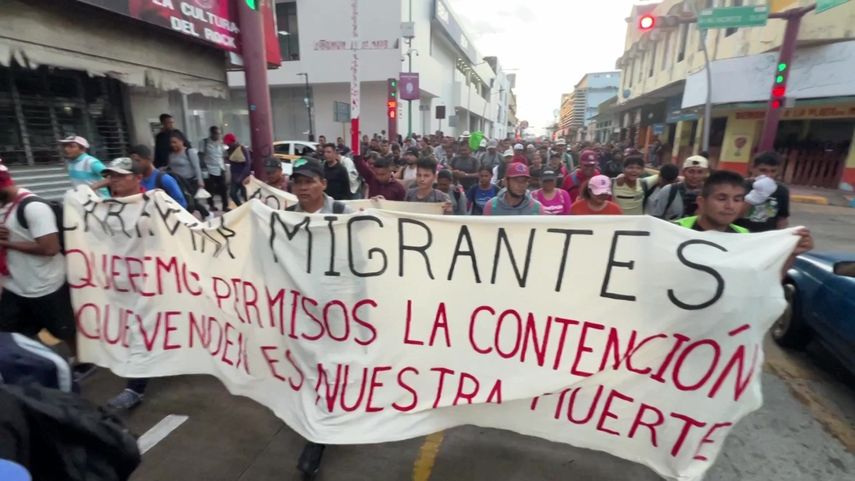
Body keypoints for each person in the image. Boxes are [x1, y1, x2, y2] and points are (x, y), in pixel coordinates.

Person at [0, 164, 75, 358]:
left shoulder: (34, 207)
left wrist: (9, 245)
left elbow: (50, 248)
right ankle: (42, 361)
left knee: (65, 331)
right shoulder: (4, 205)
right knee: (14, 333)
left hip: (46, 286)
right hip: (16, 287)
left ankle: (82, 361)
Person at [674, 170, 813, 267]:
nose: (730, 206)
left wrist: (792, 254)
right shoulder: (674, 231)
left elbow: (764, 281)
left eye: (737, 199)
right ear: (702, 202)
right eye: (721, 198)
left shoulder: (745, 237)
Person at [735, 151, 790, 232]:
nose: (768, 175)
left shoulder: (782, 190)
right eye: (763, 170)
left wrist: (781, 236)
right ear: (752, 168)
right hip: (739, 234)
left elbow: (782, 218)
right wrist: (755, 196)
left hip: (765, 237)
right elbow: (732, 216)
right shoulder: (740, 186)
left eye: (773, 171)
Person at [649, 155, 709, 220]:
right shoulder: (669, 191)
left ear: (705, 174)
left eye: (700, 172)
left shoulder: (709, 195)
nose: (695, 176)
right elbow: (655, 218)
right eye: (691, 171)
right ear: (683, 172)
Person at [167, 132, 210, 219]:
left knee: (191, 202)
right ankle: (203, 214)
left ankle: (206, 214)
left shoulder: (189, 152)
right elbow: (170, 167)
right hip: (178, 182)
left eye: (174, 142)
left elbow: (196, 167)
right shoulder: (171, 154)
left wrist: (200, 181)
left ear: (181, 141)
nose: (172, 145)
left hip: (190, 182)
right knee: (185, 202)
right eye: (171, 143)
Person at [130, 144, 187, 208]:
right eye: (133, 162)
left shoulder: (164, 179)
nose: (135, 165)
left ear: (149, 159)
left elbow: (181, 204)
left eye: (138, 160)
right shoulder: (135, 180)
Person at [287, 159, 353, 215]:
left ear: (324, 184)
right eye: (297, 182)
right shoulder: (287, 216)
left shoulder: (342, 212)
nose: (303, 187)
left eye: (309, 181)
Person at [199, 126, 228, 212]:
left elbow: (223, 155)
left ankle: (225, 206)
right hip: (209, 169)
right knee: (210, 189)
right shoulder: (204, 142)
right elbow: (200, 156)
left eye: (219, 134)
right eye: (216, 133)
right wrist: (203, 168)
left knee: (224, 189)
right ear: (211, 133)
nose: (218, 135)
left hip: (220, 168)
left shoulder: (221, 143)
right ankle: (211, 205)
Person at [224, 133, 251, 207]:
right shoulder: (229, 151)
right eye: (227, 144)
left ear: (233, 141)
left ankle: (248, 209)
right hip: (234, 177)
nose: (228, 145)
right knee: (232, 194)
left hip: (244, 177)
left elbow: (248, 164)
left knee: (246, 197)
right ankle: (241, 208)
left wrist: (241, 177)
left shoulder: (242, 149)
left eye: (229, 143)